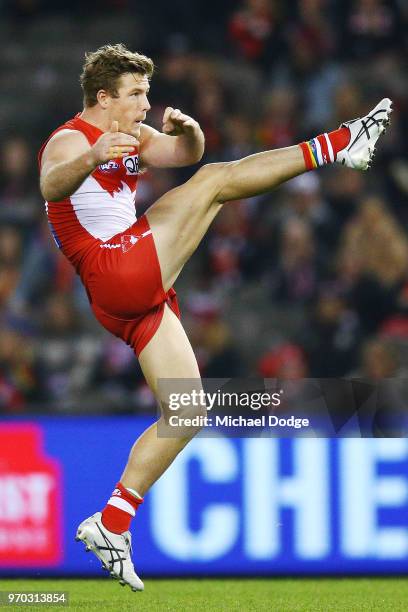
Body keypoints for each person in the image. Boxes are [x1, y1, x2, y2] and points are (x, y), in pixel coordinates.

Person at [38, 43, 391, 592]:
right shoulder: (70, 138)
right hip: (111, 268)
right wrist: (91, 156)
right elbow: (50, 184)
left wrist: (191, 131)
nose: (145, 103)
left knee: (187, 411)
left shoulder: (132, 135)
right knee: (218, 183)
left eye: (147, 93)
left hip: (130, 294)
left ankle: (112, 523)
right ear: (103, 98)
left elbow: (185, 156)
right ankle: (340, 143)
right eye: (135, 94)